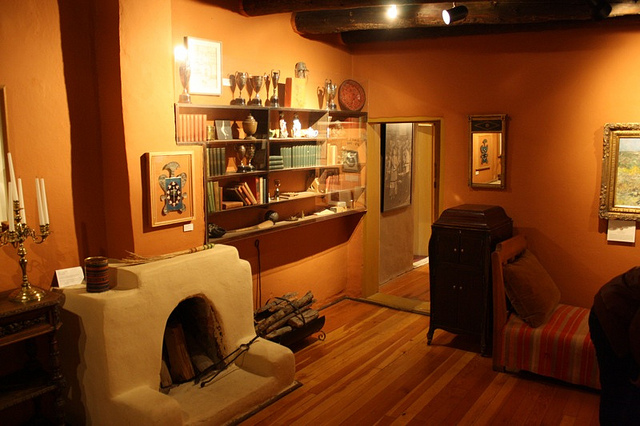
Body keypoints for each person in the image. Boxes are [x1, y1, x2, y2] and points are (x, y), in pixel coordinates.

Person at [589, 266, 640, 425]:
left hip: (624, 315)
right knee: (617, 387)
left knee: (631, 389)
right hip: (607, 314)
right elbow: (636, 331)